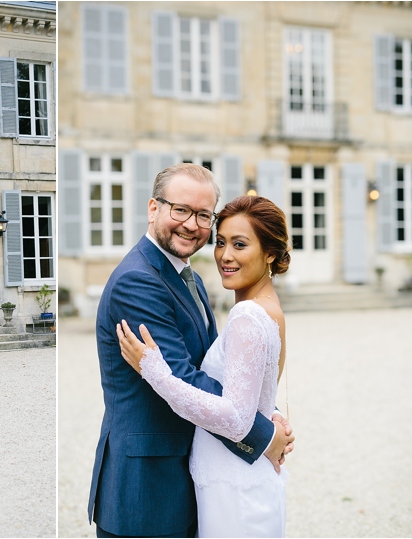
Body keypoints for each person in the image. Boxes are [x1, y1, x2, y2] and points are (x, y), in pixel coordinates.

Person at [87, 164, 294, 538]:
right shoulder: (138, 280)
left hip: (192, 477)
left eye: (203, 216)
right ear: (153, 209)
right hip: (148, 488)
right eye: (180, 210)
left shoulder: (192, 279)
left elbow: (220, 373)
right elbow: (182, 376)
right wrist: (263, 434)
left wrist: (268, 410)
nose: (191, 225)